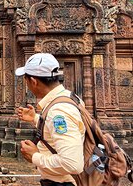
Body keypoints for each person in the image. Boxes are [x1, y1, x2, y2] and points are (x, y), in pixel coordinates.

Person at [16, 53, 85, 186]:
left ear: (33, 81)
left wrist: (35, 157)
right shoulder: (68, 97)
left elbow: (72, 164)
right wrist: (35, 119)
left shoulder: (59, 111)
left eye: (26, 79)